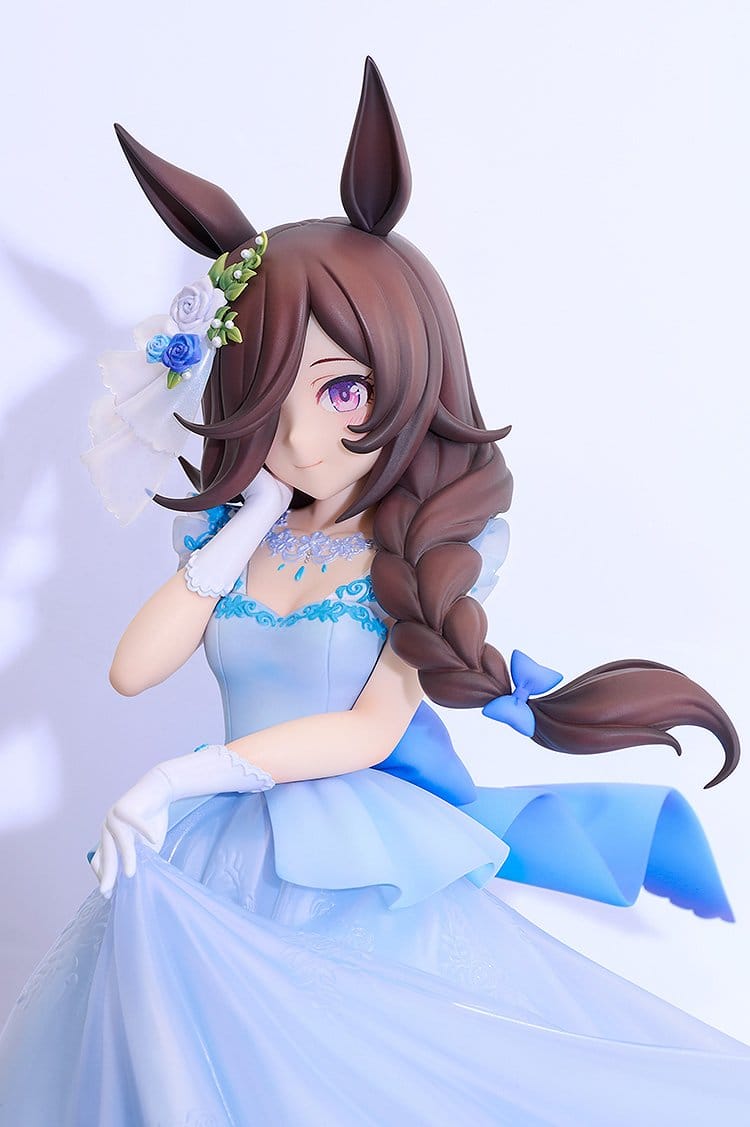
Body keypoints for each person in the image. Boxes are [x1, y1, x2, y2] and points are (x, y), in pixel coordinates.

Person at [0, 57, 748, 1126]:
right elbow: (133, 667)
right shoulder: (234, 536)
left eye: (342, 389)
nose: (304, 435)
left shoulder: (422, 544)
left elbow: (366, 730)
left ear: (408, 374)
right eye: (269, 397)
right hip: (215, 852)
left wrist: (177, 775)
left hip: (348, 861)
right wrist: (251, 514)